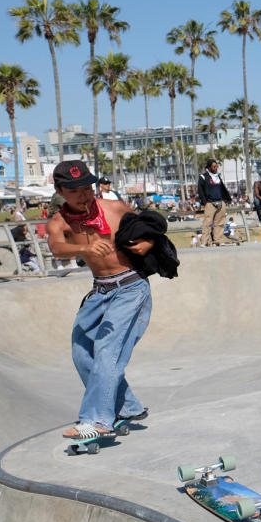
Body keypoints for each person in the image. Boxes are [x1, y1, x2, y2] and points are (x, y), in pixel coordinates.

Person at [46, 161, 154, 441]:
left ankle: (96, 419)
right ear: (59, 191)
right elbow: (56, 247)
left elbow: (150, 228)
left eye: (87, 188)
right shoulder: (59, 222)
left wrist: (147, 244)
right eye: (74, 191)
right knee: (81, 351)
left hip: (130, 287)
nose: (83, 195)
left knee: (107, 350)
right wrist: (84, 246)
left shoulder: (114, 209)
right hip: (100, 291)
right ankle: (127, 407)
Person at [196, 159, 232, 246]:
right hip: (210, 203)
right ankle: (204, 241)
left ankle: (218, 240)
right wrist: (205, 203)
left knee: (220, 222)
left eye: (217, 166)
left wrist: (225, 200)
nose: (216, 168)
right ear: (209, 167)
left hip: (220, 202)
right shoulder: (203, 177)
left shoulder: (218, 177)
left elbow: (222, 189)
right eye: (214, 166)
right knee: (207, 223)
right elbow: (200, 191)